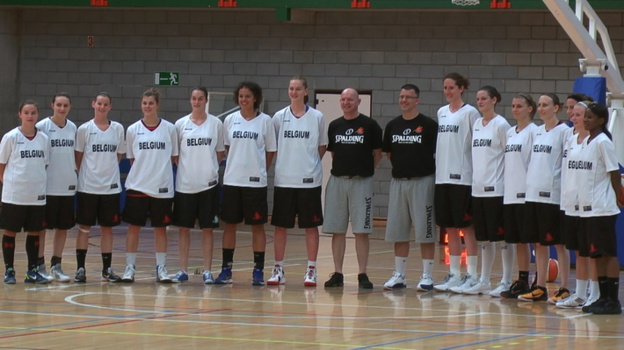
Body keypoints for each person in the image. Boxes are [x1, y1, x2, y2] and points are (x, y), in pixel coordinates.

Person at [268, 77, 327, 287]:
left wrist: (308, 164)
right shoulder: (278, 117)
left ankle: (311, 268)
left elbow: (322, 147)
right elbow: (273, 147)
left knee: (310, 227)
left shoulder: (317, 117)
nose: (294, 92)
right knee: (280, 227)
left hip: (309, 181)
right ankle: (278, 268)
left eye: (298, 89)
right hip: (284, 180)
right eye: (291, 88)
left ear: (306, 91)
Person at [216, 81, 276, 286]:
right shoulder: (230, 120)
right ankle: (226, 269)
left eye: (247, 96)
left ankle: (258, 270)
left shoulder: (265, 121)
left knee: (257, 227)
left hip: (255, 183)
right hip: (232, 180)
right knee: (229, 225)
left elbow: (270, 152)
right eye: (241, 96)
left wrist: (259, 170)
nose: (244, 100)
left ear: (255, 98)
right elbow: (226, 148)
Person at [323, 88, 383, 289]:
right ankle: (338, 273)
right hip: (338, 181)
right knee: (337, 230)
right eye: (343, 99)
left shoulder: (370, 125)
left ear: (358, 101)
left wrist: (364, 171)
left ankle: (362, 274)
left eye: (350, 99)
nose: (346, 102)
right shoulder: (334, 126)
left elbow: (378, 154)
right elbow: (333, 154)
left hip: (362, 182)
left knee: (361, 231)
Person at [455, 86, 511, 295]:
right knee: (484, 239)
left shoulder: (501, 125)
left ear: (494, 100)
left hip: (496, 190)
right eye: (478, 99)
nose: (480, 102)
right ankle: (484, 280)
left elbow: (509, 156)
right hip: (477, 190)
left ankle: (506, 280)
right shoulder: (477, 123)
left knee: (503, 238)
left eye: (484, 98)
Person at [381, 84, 438, 291]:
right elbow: (389, 153)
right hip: (398, 183)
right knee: (399, 231)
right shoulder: (392, 125)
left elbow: (436, 154)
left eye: (408, 97)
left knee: (425, 231)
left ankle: (427, 276)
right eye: (401, 96)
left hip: (423, 182)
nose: (404, 100)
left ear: (417, 100)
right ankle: (399, 275)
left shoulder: (429, 126)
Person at [122, 88, 178, 283]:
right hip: (138, 185)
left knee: (160, 229)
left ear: (157, 105)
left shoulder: (170, 129)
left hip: (162, 186)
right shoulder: (132, 130)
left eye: (151, 103)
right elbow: (132, 159)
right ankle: (129, 267)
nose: (147, 106)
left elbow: (174, 157)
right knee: (133, 227)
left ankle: (161, 268)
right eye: (144, 103)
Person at [518, 93, 570, 302]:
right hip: (533, 194)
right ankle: (540, 286)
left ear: (556, 108)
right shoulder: (537, 132)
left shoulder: (564, 132)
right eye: (539, 105)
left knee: (558, 244)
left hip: (552, 196)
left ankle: (565, 287)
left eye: (545, 105)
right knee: (538, 244)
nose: (541, 108)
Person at [433, 73, 480, 292]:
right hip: (442, 177)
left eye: (451, 87)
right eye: (445, 87)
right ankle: (454, 273)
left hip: (462, 178)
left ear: (461, 88)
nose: (448, 91)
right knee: (449, 227)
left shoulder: (470, 112)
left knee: (466, 228)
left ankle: (472, 275)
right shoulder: (441, 112)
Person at [172, 86, 224, 284]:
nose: (196, 102)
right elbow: (176, 156)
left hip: (208, 185)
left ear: (206, 100)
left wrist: (207, 169)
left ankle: (207, 271)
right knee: (183, 229)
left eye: (200, 98)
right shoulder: (180, 125)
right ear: (190, 100)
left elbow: (219, 153)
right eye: (193, 98)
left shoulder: (216, 124)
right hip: (185, 185)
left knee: (208, 229)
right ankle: (182, 269)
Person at [74, 92, 126, 283]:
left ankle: (107, 270)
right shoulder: (84, 129)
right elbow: (78, 158)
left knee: (107, 229)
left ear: (110, 107)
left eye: (105, 104)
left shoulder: (118, 129)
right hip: (88, 187)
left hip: (110, 188)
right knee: (84, 228)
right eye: (99, 104)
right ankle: (80, 269)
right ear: (93, 104)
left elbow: (118, 156)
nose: (102, 107)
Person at [577, 102, 622, 314]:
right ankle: (602, 298)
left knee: (607, 254)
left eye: (589, 117)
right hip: (589, 208)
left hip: (603, 208)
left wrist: (616, 197)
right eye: (584, 116)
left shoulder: (604, 142)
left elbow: (614, 172)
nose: (585, 120)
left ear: (601, 120)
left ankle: (613, 300)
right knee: (596, 255)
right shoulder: (587, 141)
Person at [557, 100, 600, 308]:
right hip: (570, 202)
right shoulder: (570, 139)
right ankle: (581, 293)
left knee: (590, 251)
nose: (573, 118)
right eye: (572, 114)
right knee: (578, 251)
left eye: (578, 115)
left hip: (589, 205)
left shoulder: (596, 141)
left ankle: (596, 292)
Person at [1, 101, 50, 284]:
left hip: (36, 194)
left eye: (33, 113)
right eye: (26, 113)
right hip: (14, 194)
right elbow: (2, 165)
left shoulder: (44, 139)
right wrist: (9, 184)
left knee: (34, 232)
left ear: (37, 115)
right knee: (10, 231)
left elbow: (45, 164)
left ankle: (31, 271)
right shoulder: (11, 137)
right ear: (20, 115)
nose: (30, 116)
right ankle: (9, 270)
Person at [499, 94, 538, 299]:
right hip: (510, 193)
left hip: (527, 194)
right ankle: (522, 279)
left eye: (519, 106)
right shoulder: (509, 132)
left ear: (530, 109)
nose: (515, 109)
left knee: (533, 240)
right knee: (518, 241)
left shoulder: (534, 132)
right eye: (513, 106)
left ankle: (538, 280)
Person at [35, 93, 76, 283]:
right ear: (52, 105)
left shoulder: (73, 128)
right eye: (58, 105)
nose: (61, 108)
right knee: (42, 229)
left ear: (69, 107)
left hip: (67, 186)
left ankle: (56, 265)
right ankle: (39, 265)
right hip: (47, 187)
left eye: (65, 105)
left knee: (62, 228)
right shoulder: (42, 127)